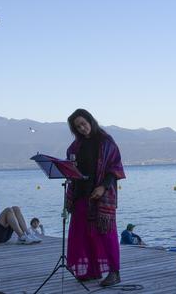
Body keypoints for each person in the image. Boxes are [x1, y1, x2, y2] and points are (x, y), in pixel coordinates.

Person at [65, 109, 126, 286]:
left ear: (91, 121)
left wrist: (102, 187)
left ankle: (115, 272)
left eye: (84, 123)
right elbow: (70, 169)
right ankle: (91, 271)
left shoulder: (106, 142)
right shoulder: (75, 147)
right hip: (80, 195)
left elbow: (115, 168)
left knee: (106, 234)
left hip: (101, 196)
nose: (82, 128)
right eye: (78, 127)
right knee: (83, 234)